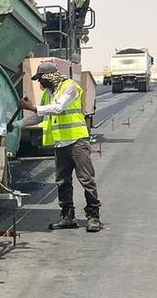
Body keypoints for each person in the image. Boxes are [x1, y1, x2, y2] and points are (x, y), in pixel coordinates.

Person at [20, 62, 102, 232]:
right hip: (60, 144)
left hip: (77, 141)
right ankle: (68, 217)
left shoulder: (70, 86)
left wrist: (33, 106)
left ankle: (93, 217)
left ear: (50, 77)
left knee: (86, 179)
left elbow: (57, 108)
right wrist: (15, 125)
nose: (39, 83)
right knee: (63, 182)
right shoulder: (48, 94)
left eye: (41, 79)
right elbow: (38, 116)